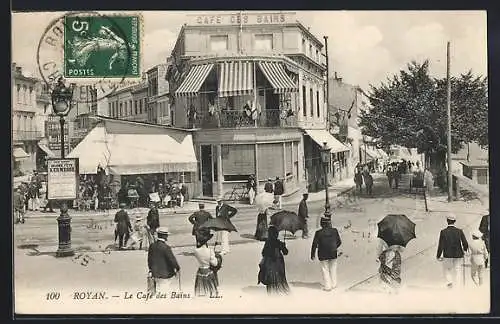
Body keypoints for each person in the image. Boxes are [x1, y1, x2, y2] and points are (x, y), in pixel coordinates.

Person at [436, 215, 469, 288]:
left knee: (447, 269)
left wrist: (438, 255)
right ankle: (458, 285)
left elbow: (440, 245)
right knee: (457, 270)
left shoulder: (443, 232)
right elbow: (465, 243)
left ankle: (449, 282)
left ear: (447, 221)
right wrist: (465, 250)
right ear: (455, 221)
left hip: (447, 254)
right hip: (458, 254)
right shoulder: (459, 231)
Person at [310, 217, 342, 291]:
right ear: (329, 223)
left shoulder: (318, 233)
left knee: (325, 269)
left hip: (322, 253)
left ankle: (328, 286)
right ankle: (334, 284)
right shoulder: (334, 231)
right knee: (333, 268)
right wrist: (334, 247)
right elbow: (339, 242)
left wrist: (312, 254)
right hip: (333, 252)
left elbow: (314, 244)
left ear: (322, 224)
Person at [258, 226, 290, 295]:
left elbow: (263, 253)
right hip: (279, 264)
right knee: (279, 278)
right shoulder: (279, 243)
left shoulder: (267, 242)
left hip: (269, 263)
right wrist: (284, 246)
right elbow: (286, 252)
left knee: (270, 278)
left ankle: (271, 292)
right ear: (276, 234)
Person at [147, 227, 180, 294]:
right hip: (165, 274)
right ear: (164, 236)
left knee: (156, 291)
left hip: (155, 273)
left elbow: (149, 260)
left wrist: (151, 269)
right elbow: (172, 260)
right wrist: (177, 268)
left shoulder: (152, 246)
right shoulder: (166, 247)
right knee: (165, 291)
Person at [194, 229, 222, 297]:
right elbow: (214, 263)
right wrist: (216, 257)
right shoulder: (209, 251)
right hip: (208, 271)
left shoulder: (196, 251)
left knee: (201, 290)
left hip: (200, 271)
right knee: (211, 289)